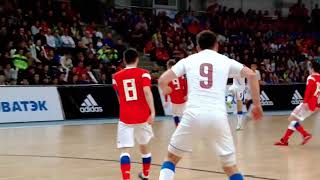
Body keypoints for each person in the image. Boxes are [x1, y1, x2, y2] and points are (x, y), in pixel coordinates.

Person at [158, 30, 263, 180]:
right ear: (217, 45)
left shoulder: (189, 60)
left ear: (197, 47)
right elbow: (252, 75)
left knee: (171, 159)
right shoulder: (225, 60)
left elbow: (162, 80)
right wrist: (257, 105)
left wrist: (166, 89)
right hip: (217, 117)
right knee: (231, 168)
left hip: (193, 116)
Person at [112, 48, 155, 180]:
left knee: (125, 151)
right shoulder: (144, 74)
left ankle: (126, 178)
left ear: (124, 60)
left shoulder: (116, 77)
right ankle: (145, 174)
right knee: (144, 147)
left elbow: (119, 98)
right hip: (142, 116)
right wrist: (152, 112)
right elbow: (147, 92)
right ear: (137, 59)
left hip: (126, 117)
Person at [274, 60, 320, 146]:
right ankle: (285, 140)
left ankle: (305, 134)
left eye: (309, 67)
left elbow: (308, 91)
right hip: (315, 105)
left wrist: (305, 102)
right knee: (295, 121)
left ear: (312, 68)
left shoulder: (311, 77)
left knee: (292, 119)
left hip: (308, 103)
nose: (308, 69)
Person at [164, 60, 188, 127]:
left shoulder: (166, 77)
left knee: (175, 114)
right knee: (184, 114)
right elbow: (186, 85)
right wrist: (186, 94)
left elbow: (166, 90)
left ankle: (177, 126)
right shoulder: (181, 75)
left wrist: (166, 100)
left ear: (168, 67)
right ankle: (184, 126)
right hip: (182, 98)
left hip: (174, 98)